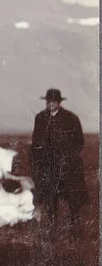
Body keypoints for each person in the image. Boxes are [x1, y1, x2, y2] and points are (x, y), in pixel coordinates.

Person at [30, 88, 88, 223]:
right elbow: (35, 140)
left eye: (54, 101)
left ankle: (74, 224)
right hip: (47, 164)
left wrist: (69, 156)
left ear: (59, 102)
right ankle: (52, 223)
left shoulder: (71, 118)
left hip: (67, 164)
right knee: (49, 195)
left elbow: (79, 141)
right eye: (48, 101)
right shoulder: (40, 118)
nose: (51, 104)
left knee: (72, 195)